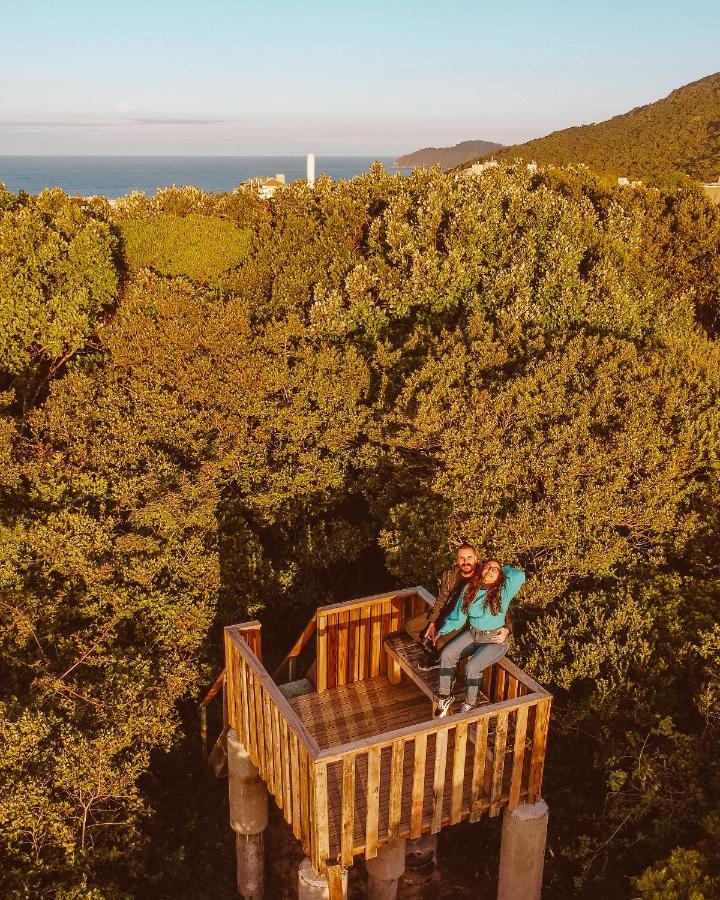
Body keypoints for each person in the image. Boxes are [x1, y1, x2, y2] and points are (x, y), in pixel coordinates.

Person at [432, 558, 525, 718]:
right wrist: (442, 631)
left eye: (495, 569)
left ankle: (470, 703)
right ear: (481, 569)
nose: (490, 570)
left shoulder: (504, 590)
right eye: (488, 567)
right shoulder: (470, 589)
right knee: (447, 654)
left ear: (500, 575)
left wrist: (503, 568)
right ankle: (444, 697)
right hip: (474, 634)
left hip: (495, 640)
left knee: (472, 667)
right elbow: (458, 615)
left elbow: (520, 575)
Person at [405, 544, 485, 671]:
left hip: (464, 621)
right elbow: (441, 600)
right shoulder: (450, 575)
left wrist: (506, 629)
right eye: (462, 558)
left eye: (469, 557)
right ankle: (433, 649)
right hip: (445, 613)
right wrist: (432, 622)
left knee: (441, 642)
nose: (465, 562)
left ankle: (438, 655)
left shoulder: (484, 576)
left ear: (476, 558)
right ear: (457, 560)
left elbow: (499, 600)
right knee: (411, 626)